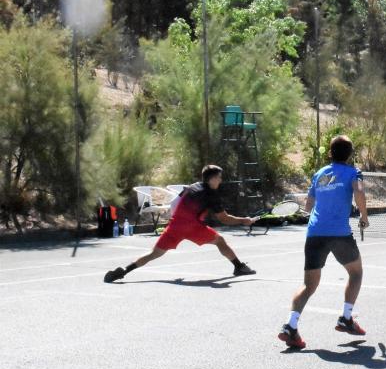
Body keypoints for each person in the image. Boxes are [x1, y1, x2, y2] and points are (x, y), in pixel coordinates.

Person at [279, 135, 369, 349]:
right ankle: (346, 317)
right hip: (339, 234)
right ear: (350, 154)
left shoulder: (318, 174)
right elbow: (359, 192)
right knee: (356, 273)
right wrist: (364, 217)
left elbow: (308, 205)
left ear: (330, 153)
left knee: (309, 285)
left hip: (314, 234)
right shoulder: (353, 172)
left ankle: (290, 326)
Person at [103, 165, 257, 283]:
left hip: (175, 224)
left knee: (154, 253)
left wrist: (178, 219)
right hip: (192, 226)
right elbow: (224, 219)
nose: (220, 180)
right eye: (219, 177)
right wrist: (244, 220)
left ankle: (124, 270)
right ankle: (239, 267)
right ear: (212, 179)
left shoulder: (192, 187)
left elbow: (175, 203)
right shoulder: (212, 195)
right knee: (219, 241)